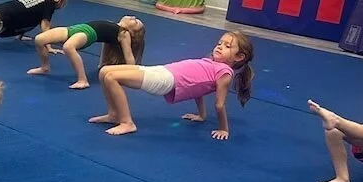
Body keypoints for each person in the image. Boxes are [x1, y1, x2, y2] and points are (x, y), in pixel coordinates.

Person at [88, 31, 254, 138]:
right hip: (163, 70)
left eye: (227, 46)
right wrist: (201, 115)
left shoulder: (225, 73)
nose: (220, 47)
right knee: (105, 71)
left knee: (111, 78)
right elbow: (199, 89)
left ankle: (127, 122)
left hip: (166, 80)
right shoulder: (211, 62)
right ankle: (114, 114)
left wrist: (224, 129)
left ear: (239, 57)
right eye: (219, 43)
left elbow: (219, 104)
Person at [28, 16, 146, 89]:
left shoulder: (124, 34)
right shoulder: (113, 25)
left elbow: (128, 55)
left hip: (88, 34)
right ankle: (45, 67)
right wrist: (102, 63)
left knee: (68, 47)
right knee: (39, 39)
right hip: (73, 29)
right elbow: (105, 44)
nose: (133, 17)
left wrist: (131, 73)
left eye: (136, 22)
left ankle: (82, 80)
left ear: (132, 32)